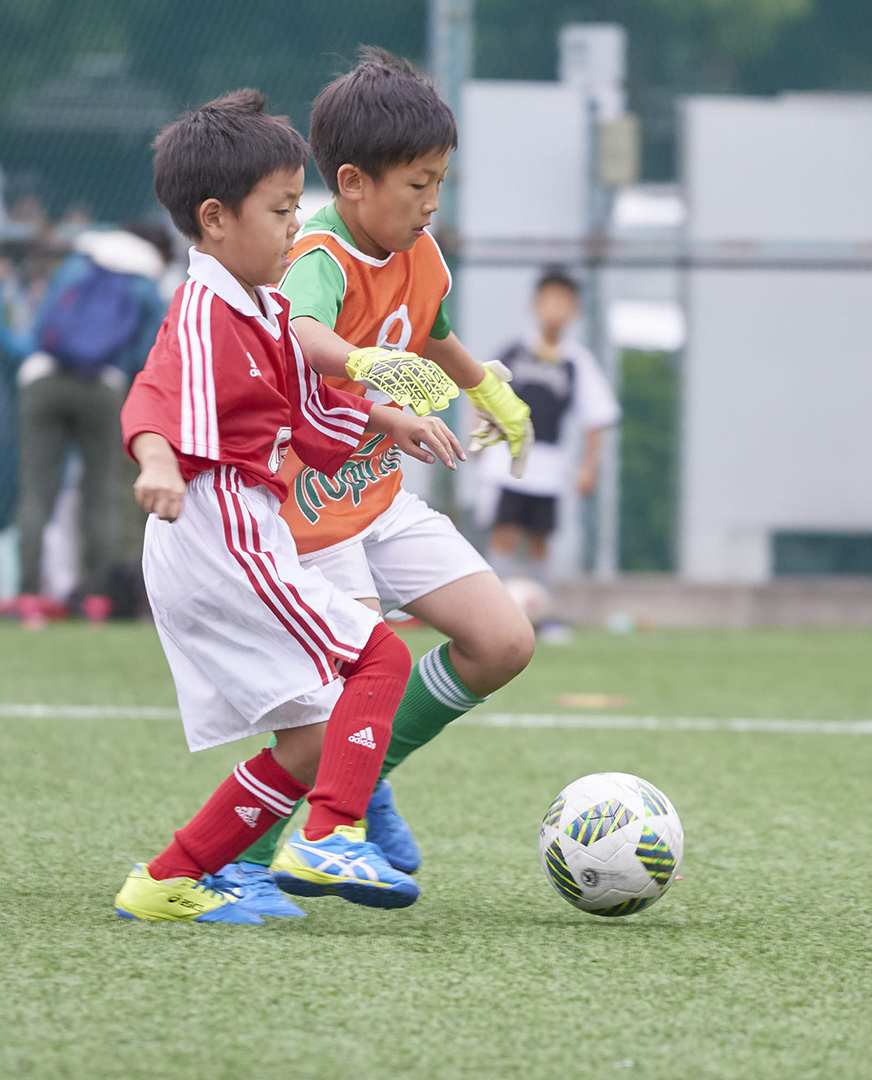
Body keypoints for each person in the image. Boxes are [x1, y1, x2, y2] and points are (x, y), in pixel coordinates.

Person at [114, 90, 464, 923]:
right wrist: (156, 462)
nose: (294, 226)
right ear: (215, 219)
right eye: (280, 211)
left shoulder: (261, 305)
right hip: (220, 535)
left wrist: (386, 416)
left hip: (238, 534)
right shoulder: (204, 310)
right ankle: (332, 832)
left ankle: (166, 881)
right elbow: (151, 398)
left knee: (311, 741)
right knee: (378, 661)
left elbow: (308, 416)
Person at [210, 47, 539, 908]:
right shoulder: (318, 253)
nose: (432, 204)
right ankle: (257, 854)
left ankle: (365, 775)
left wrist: (487, 386)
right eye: (417, 185)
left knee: (503, 642)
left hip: (379, 502)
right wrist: (376, 376)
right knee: (351, 692)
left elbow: (430, 331)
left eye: (441, 183)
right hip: (307, 516)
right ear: (352, 182)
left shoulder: (419, 251)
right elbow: (304, 338)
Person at [3, 223, 168, 628]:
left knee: (37, 490)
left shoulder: (79, 262)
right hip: (103, 388)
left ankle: (28, 595)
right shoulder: (147, 283)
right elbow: (148, 354)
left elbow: (45, 328)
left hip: (44, 380)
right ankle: (96, 597)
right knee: (99, 493)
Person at [480, 267, 621, 587]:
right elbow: (483, 395)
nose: (556, 311)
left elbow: (597, 416)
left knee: (540, 540)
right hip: (507, 460)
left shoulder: (576, 362)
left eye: (564, 304)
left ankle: (541, 612)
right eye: (550, 302)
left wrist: (589, 468)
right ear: (535, 305)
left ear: (576, 311)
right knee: (504, 531)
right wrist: (479, 439)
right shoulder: (513, 353)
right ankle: (494, 603)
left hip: (548, 467)